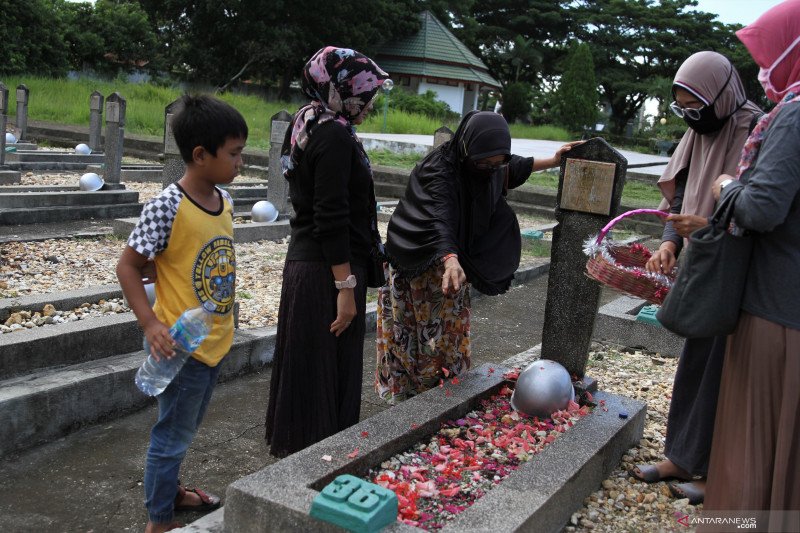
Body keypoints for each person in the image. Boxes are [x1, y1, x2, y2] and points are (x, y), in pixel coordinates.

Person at [376, 111, 579, 403]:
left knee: (450, 331)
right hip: (417, 262)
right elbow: (439, 218)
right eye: (483, 163)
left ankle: (442, 389)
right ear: (467, 149)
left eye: (496, 163)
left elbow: (514, 168)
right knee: (416, 334)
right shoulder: (439, 169)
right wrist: (450, 257)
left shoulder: (490, 163)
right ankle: (412, 400)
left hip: (452, 264)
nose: (489, 169)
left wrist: (554, 160)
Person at [631, 52, 763, 505]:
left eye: (696, 109)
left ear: (721, 98)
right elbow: (684, 192)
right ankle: (683, 455)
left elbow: (759, 207)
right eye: (682, 110)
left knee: (727, 371)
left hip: (740, 269)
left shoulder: (753, 129)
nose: (691, 119)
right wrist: (670, 240)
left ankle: (719, 472)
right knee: (695, 359)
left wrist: (708, 230)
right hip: (703, 261)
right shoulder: (699, 131)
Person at [117, 95, 247, 533]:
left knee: (182, 429)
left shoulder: (224, 201)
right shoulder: (167, 206)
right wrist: (150, 323)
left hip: (213, 341)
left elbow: (198, 260)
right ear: (200, 155)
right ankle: (160, 521)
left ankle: (171, 492)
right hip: (179, 345)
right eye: (234, 153)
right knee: (170, 437)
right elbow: (129, 265)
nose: (240, 162)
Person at [703, 1, 800, 525]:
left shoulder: (796, 113)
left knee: (753, 440)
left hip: (777, 309)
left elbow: (762, 208)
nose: (762, 69)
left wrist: (725, 186)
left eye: (768, 55)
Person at [264, 47, 388, 458]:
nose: (369, 103)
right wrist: (346, 287)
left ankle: (302, 455)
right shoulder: (333, 134)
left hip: (309, 262)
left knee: (310, 362)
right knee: (321, 366)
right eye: (365, 94)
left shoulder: (310, 120)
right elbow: (330, 216)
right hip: (326, 269)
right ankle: (315, 461)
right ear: (343, 89)